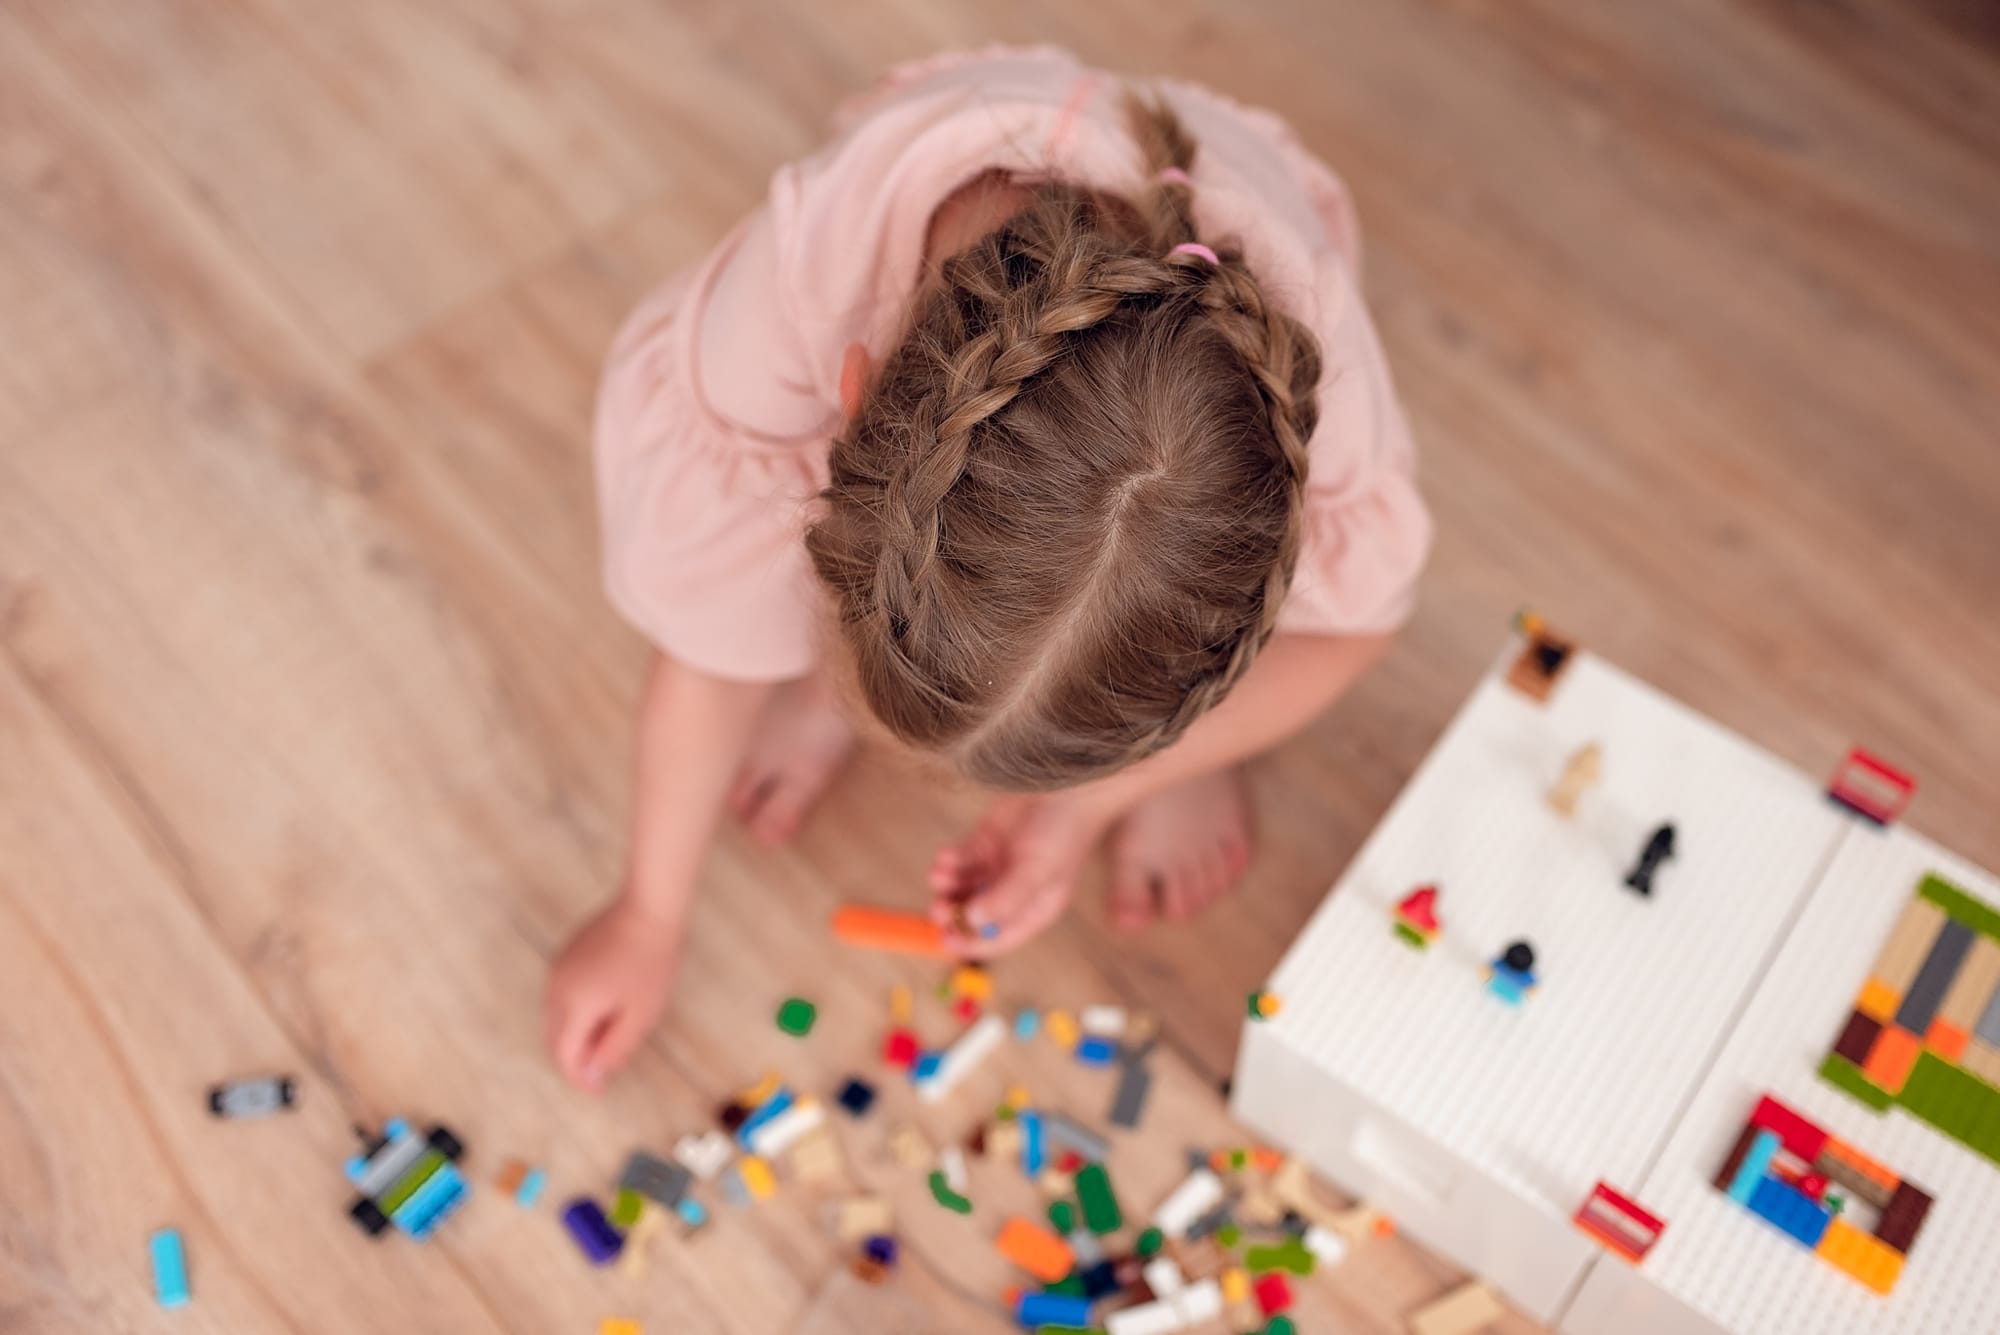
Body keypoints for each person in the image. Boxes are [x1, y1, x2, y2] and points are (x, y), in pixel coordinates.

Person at [546, 47, 1431, 1090]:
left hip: (1217, 244)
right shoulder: (786, 298)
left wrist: (1086, 805)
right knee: (746, 611)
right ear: (850, 392)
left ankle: (1185, 754)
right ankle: (822, 689)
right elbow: (701, 636)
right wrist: (647, 912)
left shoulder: (1312, 349)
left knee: (1097, 600)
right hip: (985, 207)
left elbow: (1359, 623)